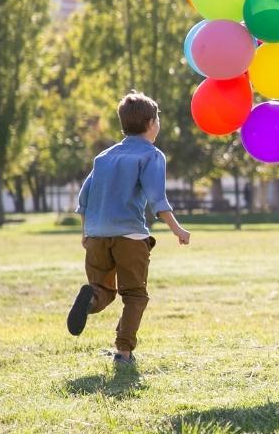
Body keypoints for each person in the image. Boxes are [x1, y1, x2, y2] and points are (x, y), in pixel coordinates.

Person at [66, 91, 192, 366]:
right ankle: (123, 352)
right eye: (157, 119)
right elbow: (158, 199)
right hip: (130, 236)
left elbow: (84, 199)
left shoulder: (104, 157)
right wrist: (178, 230)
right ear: (150, 123)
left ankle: (90, 299)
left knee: (103, 290)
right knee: (134, 294)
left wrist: (86, 234)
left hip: (97, 235)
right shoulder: (151, 155)